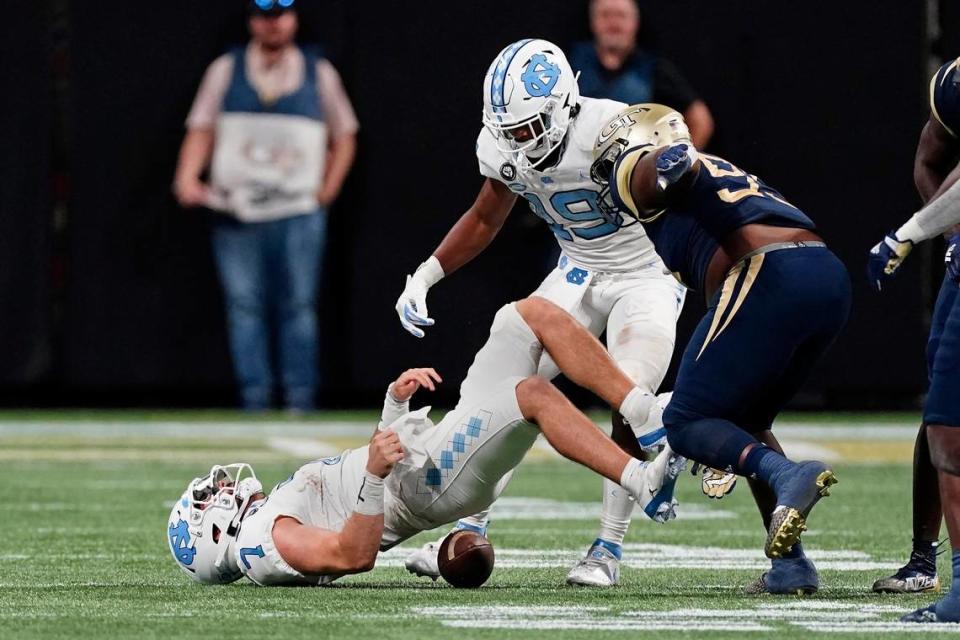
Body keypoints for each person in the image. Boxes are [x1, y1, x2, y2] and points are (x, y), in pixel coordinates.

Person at [393, 38, 733, 588]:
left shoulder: (615, 129)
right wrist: (427, 273)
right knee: (504, 393)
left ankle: (607, 549)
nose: (517, 142)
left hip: (645, 275)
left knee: (630, 398)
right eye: (508, 130)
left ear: (562, 106)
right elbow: (485, 218)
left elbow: (690, 195)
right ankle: (467, 531)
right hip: (576, 271)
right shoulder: (505, 142)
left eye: (527, 128)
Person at [166, 297, 686, 586]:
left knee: (525, 317)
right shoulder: (261, 546)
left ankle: (641, 411)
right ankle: (641, 480)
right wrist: (372, 473)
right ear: (212, 534)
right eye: (208, 501)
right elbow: (352, 554)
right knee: (531, 394)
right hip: (427, 486)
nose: (220, 490)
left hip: (421, 461)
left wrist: (393, 407)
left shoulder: (263, 525)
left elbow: (360, 480)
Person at [592, 103, 851, 594]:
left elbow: (667, 163)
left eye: (612, 164)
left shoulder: (660, 169)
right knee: (746, 421)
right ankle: (791, 566)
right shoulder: (717, 177)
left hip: (771, 273)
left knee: (684, 422)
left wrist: (666, 161)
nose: (610, 181)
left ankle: (787, 473)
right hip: (824, 275)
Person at [173, 0, 358, 411]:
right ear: (251, 20)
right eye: (264, 15)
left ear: (293, 19)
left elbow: (345, 134)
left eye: (281, 14)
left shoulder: (318, 73)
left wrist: (327, 188)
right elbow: (201, 128)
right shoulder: (226, 69)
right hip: (236, 210)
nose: (273, 24)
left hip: (296, 210)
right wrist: (187, 176)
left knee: (298, 305)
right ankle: (254, 398)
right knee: (244, 306)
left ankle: (299, 399)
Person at [868, 57, 960, 624]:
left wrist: (909, 233)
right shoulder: (953, 88)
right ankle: (927, 559)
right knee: (943, 418)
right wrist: (941, 230)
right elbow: (934, 161)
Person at [568, 0, 714, 149]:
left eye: (621, 16)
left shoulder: (654, 68)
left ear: (635, 22)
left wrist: (683, 161)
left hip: (632, 164)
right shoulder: (569, 63)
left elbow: (701, 119)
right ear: (593, 21)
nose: (613, 24)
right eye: (605, 15)